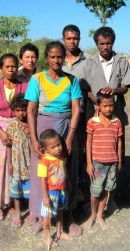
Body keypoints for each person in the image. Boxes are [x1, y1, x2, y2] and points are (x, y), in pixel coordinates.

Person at [25, 41, 82, 235]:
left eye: (60, 56)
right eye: (52, 57)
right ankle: (44, 216)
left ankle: (68, 216)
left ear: (64, 57)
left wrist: (70, 137)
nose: (56, 60)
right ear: (47, 58)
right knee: (43, 172)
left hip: (66, 128)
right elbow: (31, 110)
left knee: (67, 171)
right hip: (43, 130)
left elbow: (76, 109)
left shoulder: (71, 80)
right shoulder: (37, 79)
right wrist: (34, 139)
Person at [81, 26, 130, 213]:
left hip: (116, 114)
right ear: (97, 44)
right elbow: (85, 88)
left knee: (115, 157)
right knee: (94, 156)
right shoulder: (89, 62)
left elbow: (125, 86)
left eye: (108, 43)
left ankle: (110, 199)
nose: (105, 47)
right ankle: (93, 198)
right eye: (101, 43)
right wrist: (96, 101)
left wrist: (113, 91)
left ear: (113, 43)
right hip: (94, 116)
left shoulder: (121, 61)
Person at [0, 53, 27, 220]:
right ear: (1, 68)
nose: (11, 70)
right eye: (7, 67)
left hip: (20, 128)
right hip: (0, 128)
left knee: (15, 164)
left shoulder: (24, 87)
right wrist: (2, 133)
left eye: (13, 66)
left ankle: (11, 202)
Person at [62, 24, 90, 229]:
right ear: (63, 39)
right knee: (61, 154)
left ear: (79, 39)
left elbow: (91, 87)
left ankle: (79, 195)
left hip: (81, 116)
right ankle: (60, 194)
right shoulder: (56, 58)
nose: (73, 41)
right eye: (69, 38)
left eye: (76, 38)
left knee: (79, 155)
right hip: (61, 116)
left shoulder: (88, 60)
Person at [84, 91, 122, 230]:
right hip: (97, 164)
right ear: (98, 106)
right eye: (105, 106)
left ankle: (100, 215)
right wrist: (89, 163)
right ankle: (93, 215)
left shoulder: (117, 122)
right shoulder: (92, 122)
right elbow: (88, 143)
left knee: (106, 190)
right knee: (95, 192)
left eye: (111, 105)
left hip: (112, 163)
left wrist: (119, 160)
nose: (108, 109)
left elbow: (119, 142)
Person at [38, 129, 73, 248]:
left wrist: (68, 182)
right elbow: (42, 180)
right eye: (53, 147)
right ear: (45, 149)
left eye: (58, 144)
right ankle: (47, 238)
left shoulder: (62, 157)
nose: (57, 148)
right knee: (47, 217)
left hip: (62, 190)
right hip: (51, 193)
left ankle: (60, 231)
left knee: (60, 212)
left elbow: (64, 170)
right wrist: (46, 197)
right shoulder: (44, 162)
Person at [6, 93, 31, 228]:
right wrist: (9, 162)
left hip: (30, 163)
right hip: (16, 163)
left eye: (23, 109)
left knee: (31, 188)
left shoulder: (33, 123)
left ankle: (32, 212)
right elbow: (8, 145)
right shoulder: (12, 125)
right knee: (16, 189)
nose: (21, 113)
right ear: (13, 110)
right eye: (18, 110)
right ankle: (18, 213)